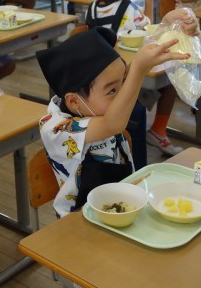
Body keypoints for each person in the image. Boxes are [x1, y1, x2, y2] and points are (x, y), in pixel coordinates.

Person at [36, 27, 190, 217]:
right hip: (79, 219)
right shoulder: (55, 127)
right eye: (112, 91)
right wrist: (138, 70)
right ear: (74, 101)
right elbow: (112, 124)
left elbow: (127, 77)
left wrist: (167, 29)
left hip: (121, 205)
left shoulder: (93, 106)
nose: (121, 95)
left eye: (122, 83)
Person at [85, 0, 199, 158]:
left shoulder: (92, 8)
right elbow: (148, 30)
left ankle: (147, 121)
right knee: (169, 79)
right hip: (123, 71)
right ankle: (157, 129)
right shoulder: (129, 8)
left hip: (99, 71)